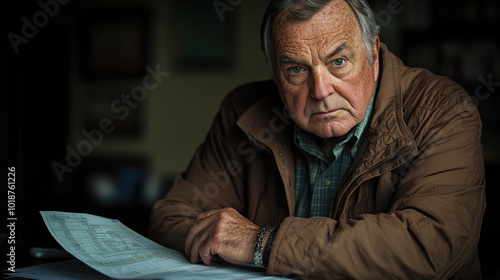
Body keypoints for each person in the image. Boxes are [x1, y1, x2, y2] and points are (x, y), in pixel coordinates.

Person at [149, 0, 486, 278]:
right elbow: (172, 218)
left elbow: (431, 247)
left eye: (338, 62)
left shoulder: (442, 111)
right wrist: (223, 239)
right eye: (296, 70)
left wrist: (261, 244)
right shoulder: (243, 111)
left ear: (374, 54)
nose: (321, 91)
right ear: (275, 73)